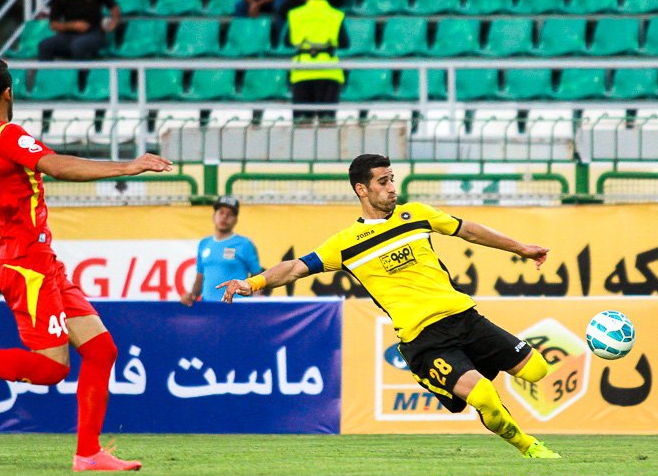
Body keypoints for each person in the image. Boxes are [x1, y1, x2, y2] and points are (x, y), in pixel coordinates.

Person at [0, 56, 173, 472]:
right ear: (8, 92)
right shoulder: (7, 135)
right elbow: (57, 165)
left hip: (35, 258)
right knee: (50, 369)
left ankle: (88, 454)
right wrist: (127, 165)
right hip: (26, 262)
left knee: (101, 350)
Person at [219, 154, 562, 459]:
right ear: (362, 190)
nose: (392, 188)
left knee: (538, 371)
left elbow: (468, 231)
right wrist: (253, 283)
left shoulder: (417, 214)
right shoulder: (346, 244)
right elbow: (295, 267)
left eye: (392, 179)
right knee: (484, 396)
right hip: (425, 341)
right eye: (383, 182)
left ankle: (486, 388)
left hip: (465, 319)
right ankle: (528, 447)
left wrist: (521, 248)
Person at [284, 0, 349, 124]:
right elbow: (344, 43)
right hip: (328, 71)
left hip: (302, 71)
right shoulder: (336, 15)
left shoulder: (295, 14)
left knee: (302, 123)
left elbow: (287, 42)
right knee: (327, 122)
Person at [181, 195, 263, 305]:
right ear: (214, 216)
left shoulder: (245, 244)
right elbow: (200, 278)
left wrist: (256, 305)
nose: (224, 217)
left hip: (236, 307)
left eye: (230, 214)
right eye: (221, 212)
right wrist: (191, 295)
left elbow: (257, 277)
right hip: (208, 307)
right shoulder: (204, 243)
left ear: (235, 220)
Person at [38, 0, 120, 63]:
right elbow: (54, 24)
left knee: (78, 45)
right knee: (44, 45)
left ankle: (83, 74)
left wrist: (113, 24)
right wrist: (73, 25)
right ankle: (47, 73)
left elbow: (114, 7)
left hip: (94, 34)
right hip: (67, 35)